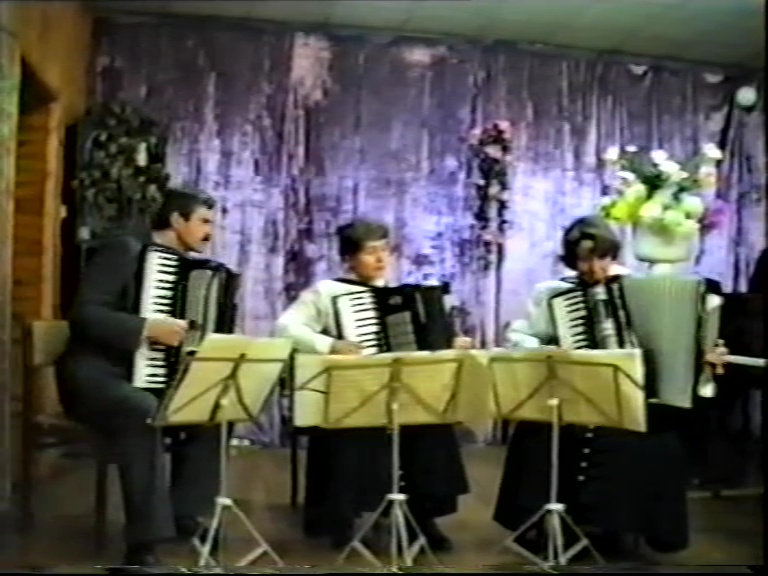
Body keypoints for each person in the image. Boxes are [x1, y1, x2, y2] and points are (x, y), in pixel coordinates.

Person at [493, 215, 727, 560]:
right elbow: (519, 337)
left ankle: (620, 526)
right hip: (573, 396)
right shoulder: (555, 294)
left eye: (601, 257)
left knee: (655, 439)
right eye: (584, 260)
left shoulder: (641, 288)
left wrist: (707, 353)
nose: (594, 268)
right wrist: (549, 349)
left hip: (635, 399)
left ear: (613, 254)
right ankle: (544, 523)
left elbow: (687, 347)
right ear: (571, 260)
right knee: (537, 431)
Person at [275, 219, 471, 551]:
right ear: (349, 259)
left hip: (404, 394)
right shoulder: (327, 292)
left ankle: (422, 515)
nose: (381, 259)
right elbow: (285, 328)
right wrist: (330, 344)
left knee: (433, 427)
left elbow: (430, 343)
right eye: (370, 252)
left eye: (385, 250)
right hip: (354, 393)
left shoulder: (405, 295)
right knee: (350, 430)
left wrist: (453, 343)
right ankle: (344, 518)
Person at [57, 188, 222, 572]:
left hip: (147, 375)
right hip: (98, 374)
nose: (210, 232)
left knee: (209, 405)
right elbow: (84, 314)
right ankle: (144, 544)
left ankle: (185, 515)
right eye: (204, 221)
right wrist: (147, 327)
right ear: (177, 220)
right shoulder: (125, 250)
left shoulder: (189, 271)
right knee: (142, 410)